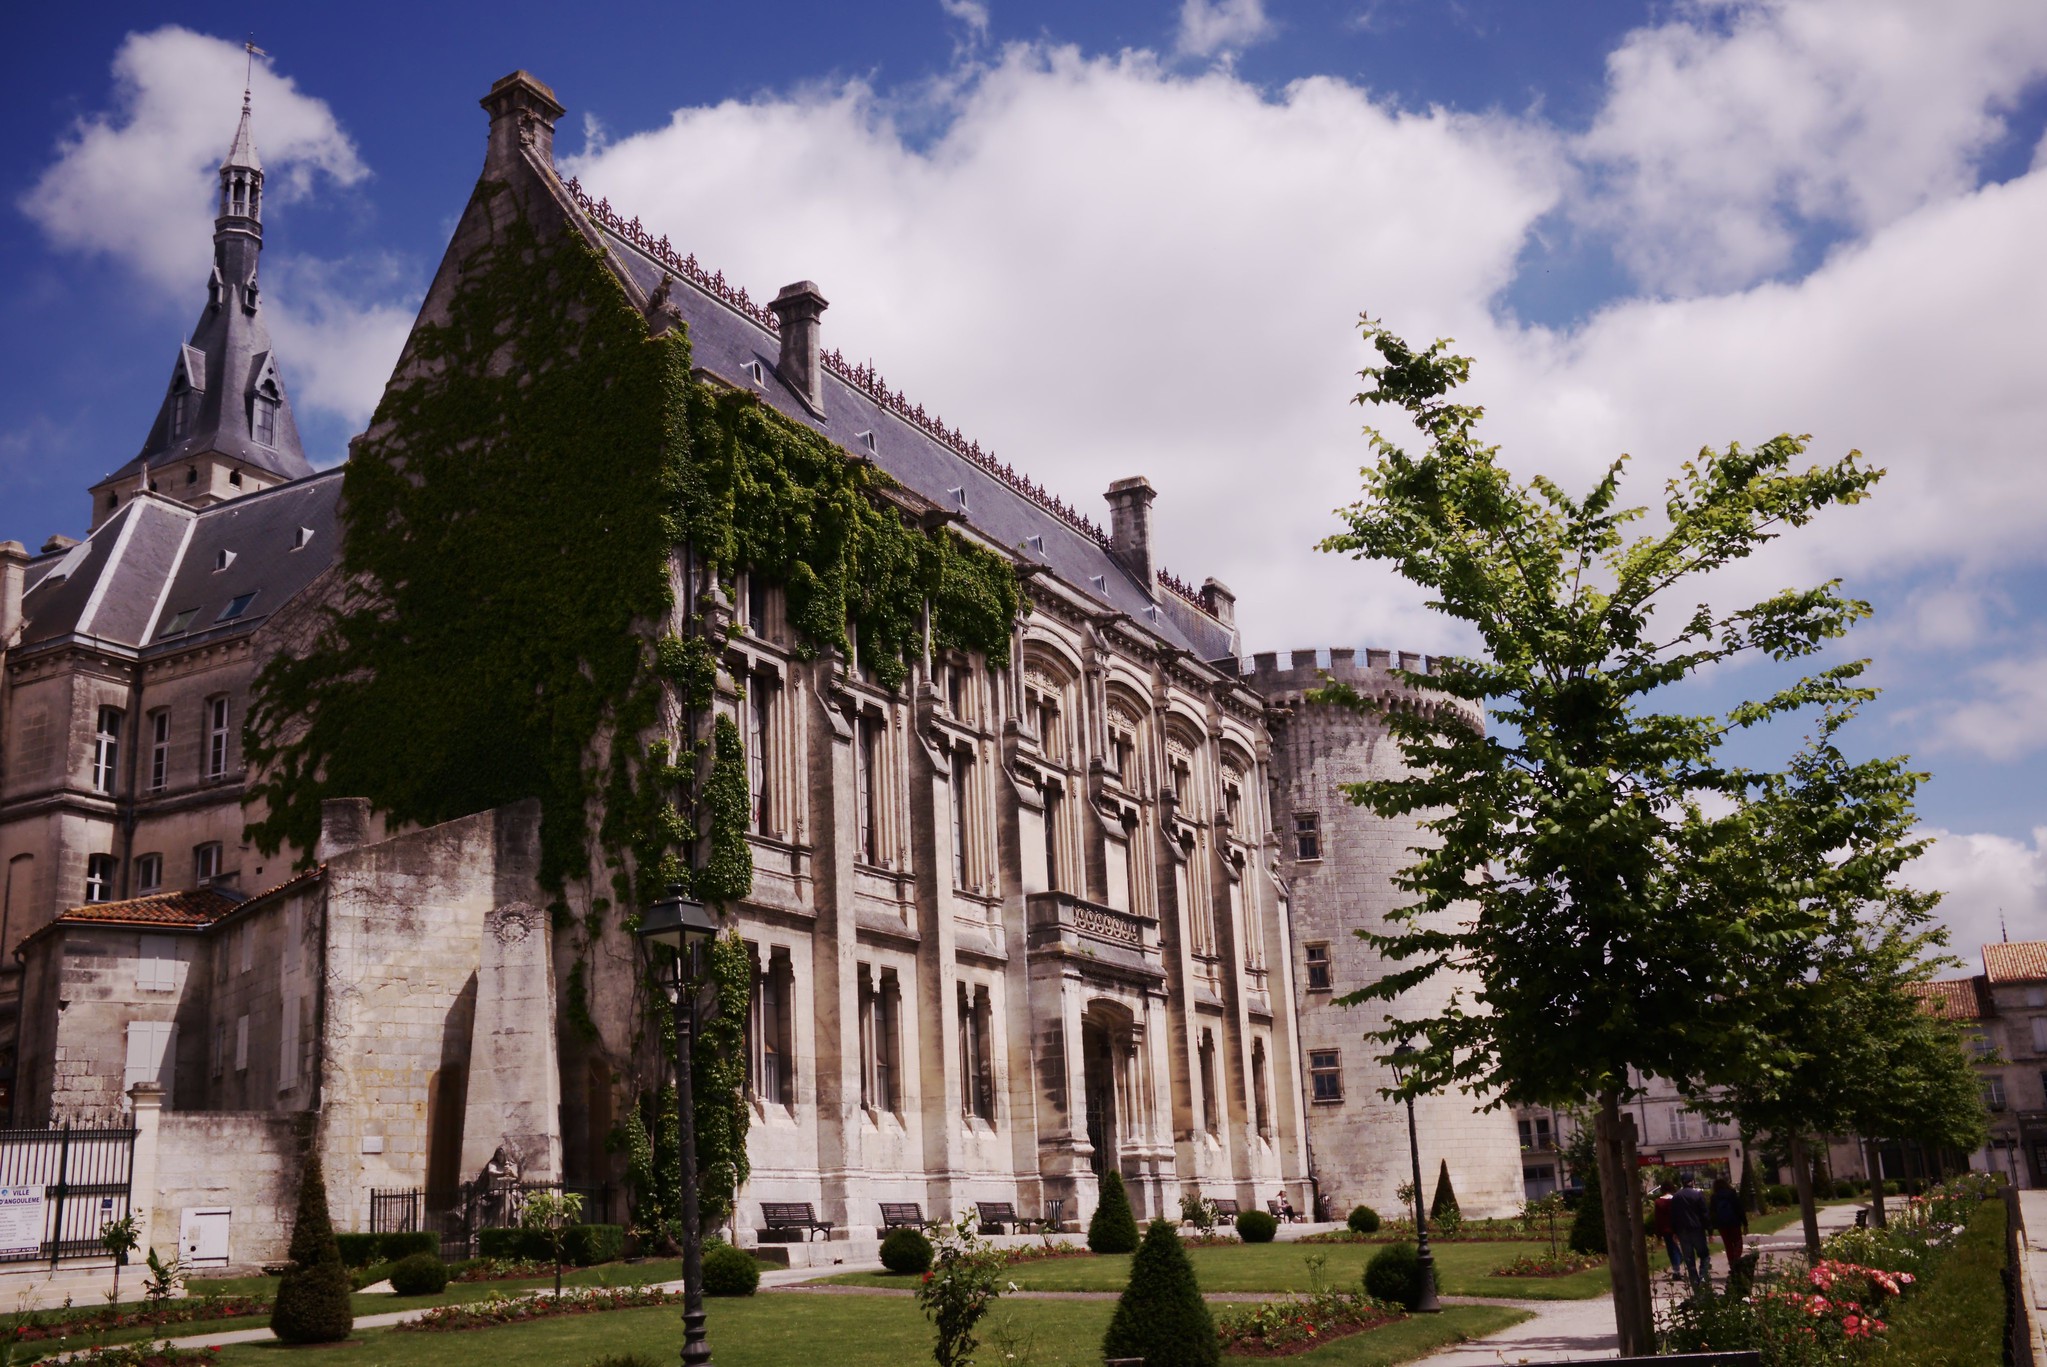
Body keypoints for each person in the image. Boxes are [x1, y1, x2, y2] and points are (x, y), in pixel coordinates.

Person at [1671, 1173, 1712, 1288]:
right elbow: (1705, 1214)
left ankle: (1694, 1283)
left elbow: (1673, 1215)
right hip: (1697, 1229)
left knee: (1689, 1259)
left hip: (1682, 1231)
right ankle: (1703, 1277)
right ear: (1692, 1181)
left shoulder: (1676, 1197)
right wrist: (1710, 1230)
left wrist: (1674, 1231)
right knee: (1704, 1255)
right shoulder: (1697, 1195)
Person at [1710, 1175, 1748, 1276]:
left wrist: (1713, 1227)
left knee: (1728, 1245)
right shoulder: (1732, 1194)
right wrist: (1745, 1223)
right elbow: (1739, 1209)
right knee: (1738, 1243)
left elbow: (1712, 1213)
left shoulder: (1714, 1197)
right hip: (1734, 1222)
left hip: (1722, 1225)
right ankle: (1736, 1261)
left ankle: (1732, 1265)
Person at [1653, 1179, 1681, 1276]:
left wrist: (1658, 1234)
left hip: (1666, 1229)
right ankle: (1678, 1267)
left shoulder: (1658, 1202)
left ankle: (1676, 1268)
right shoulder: (1675, 1200)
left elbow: (1658, 1219)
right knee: (1677, 1248)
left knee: (1671, 1249)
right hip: (1677, 1228)